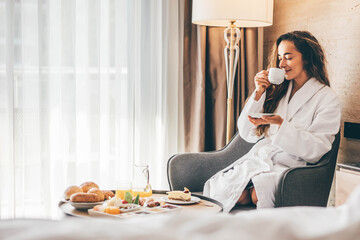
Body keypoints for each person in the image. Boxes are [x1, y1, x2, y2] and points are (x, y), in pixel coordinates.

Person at [203, 31, 341, 213]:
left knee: (256, 194)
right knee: (224, 190)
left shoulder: (327, 98)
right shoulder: (279, 90)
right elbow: (246, 132)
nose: (282, 64)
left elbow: (317, 148)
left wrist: (280, 125)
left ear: (306, 58)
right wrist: (259, 92)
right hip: (263, 160)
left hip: (292, 168)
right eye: (279, 58)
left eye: (288, 57)